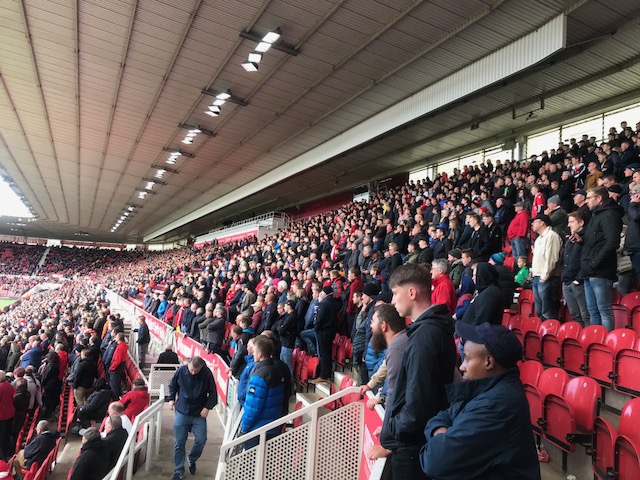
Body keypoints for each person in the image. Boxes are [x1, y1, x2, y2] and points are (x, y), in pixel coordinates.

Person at [368, 264, 456, 480]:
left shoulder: (424, 336)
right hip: (414, 441)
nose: (393, 300)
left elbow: (418, 403)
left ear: (412, 293)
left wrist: (393, 429)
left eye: (395, 293)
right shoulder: (428, 330)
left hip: (411, 447)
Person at [420, 322, 540, 480]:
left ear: (489, 362)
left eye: (467, 359)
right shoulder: (488, 389)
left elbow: (434, 461)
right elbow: (442, 416)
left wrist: (444, 436)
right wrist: (444, 435)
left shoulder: (497, 404)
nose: (461, 367)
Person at [579, 186, 624, 331]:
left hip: (601, 271)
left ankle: (605, 342)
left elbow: (612, 242)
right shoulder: (596, 215)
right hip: (589, 270)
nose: (586, 201)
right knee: (593, 311)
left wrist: (595, 263)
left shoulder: (609, 214)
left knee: (604, 311)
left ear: (599, 199)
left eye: (589, 198)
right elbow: (595, 240)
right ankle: (595, 340)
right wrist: (580, 240)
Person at [168, 356, 217, 480]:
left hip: (199, 412)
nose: (193, 373)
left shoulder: (207, 374)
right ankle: (179, 469)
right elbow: (172, 385)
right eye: (191, 370)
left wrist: (207, 407)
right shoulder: (181, 371)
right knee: (179, 442)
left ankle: (192, 458)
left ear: (201, 367)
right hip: (182, 410)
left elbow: (213, 392)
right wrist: (171, 399)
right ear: (188, 365)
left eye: (196, 370)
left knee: (201, 439)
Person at [240, 336, 286, 450]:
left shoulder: (259, 376)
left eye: (254, 351)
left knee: (251, 460)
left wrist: (244, 426)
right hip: (272, 427)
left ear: (260, 354)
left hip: (257, 430)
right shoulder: (277, 370)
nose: (253, 354)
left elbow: (253, 407)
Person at [359, 304, 408, 410]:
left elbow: (392, 386)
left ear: (383, 326)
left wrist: (380, 396)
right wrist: (370, 385)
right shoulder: (400, 341)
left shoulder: (396, 348)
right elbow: (386, 366)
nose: (370, 326)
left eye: (373, 321)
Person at [530, 213, 562, 320]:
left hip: (547, 278)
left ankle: (550, 328)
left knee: (548, 311)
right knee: (540, 310)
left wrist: (545, 276)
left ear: (542, 223)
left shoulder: (552, 236)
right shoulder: (539, 239)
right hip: (537, 276)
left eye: (534, 222)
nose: (532, 224)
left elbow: (552, 259)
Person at [562, 211, 590, 326]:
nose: (569, 225)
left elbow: (587, 260)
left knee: (585, 314)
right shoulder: (570, 239)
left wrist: (578, 279)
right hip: (567, 281)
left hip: (579, 282)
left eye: (572, 222)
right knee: (575, 315)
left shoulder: (587, 238)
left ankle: (588, 335)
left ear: (581, 223)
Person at [310, 286, 340, 384]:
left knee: (323, 354)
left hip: (323, 332)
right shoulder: (335, 303)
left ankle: (323, 375)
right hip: (331, 331)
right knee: (328, 353)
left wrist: (316, 328)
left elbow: (319, 318)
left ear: (325, 293)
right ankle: (327, 374)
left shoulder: (324, 303)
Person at [108, 333, 128, 398]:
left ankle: (115, 399)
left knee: (114, 387)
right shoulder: (123, 346)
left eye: (116, 337)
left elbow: (117, 360)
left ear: (119, 338)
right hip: (119, 368)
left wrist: (111, 368)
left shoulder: (120, 347)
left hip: (116, 369)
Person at [0, 371, 14, 461]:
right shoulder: (10, 386)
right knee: (6, 437)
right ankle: (5, 455)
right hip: (10, 414)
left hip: (1, 416)